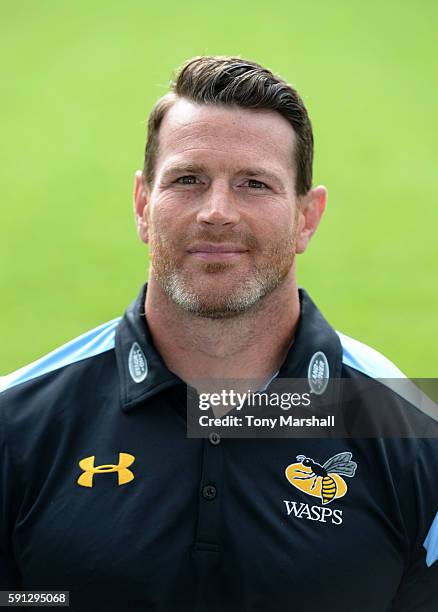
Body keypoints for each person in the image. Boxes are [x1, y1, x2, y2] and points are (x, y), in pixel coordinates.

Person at [1, 55, 437, 612]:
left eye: (254, 184)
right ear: (142, 204)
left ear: (307, 217)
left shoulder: (411, 433)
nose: (216, 212)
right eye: (188, 180)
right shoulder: (17, 422)